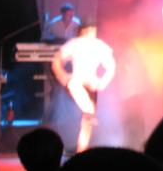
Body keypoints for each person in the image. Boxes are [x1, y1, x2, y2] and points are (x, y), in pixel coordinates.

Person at [50, 20, 116, 153]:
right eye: (90, 30)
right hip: (77, 83)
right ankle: (88, 116)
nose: (91, 32)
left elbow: (111, 66)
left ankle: (82, 149)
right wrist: (62, 75)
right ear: (85, 31)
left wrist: (102, 81)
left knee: (87, 120)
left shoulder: (99, 45)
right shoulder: (76, 44)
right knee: (87, 110)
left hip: (91, 85)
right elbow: (56, 60)